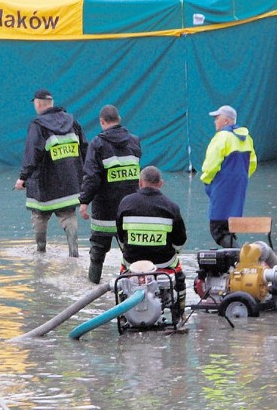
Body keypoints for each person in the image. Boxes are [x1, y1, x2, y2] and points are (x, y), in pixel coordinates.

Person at [14, 89, 88, 257]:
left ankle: (40, 252)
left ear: (38, 104)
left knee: (39, 216)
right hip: (70, 182)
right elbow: (85, 148)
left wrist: (22, 178)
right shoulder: (72, 121)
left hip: (44, 184)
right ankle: (74, 253)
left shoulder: (38, 125)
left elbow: (32, 154)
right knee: (68, 215)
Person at [79, 104, 141, 283]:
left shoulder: (97, 144)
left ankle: (92, 287)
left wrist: (84, 202)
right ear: (119, 119)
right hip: (131, 209)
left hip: (104, 211)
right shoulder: (134, 141)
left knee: (97, 252)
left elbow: (91, 177)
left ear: (101, 122)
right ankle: (134, 287)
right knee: (132, 253)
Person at [116, 166, 187, 315]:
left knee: (121, 274)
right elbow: (180, 241)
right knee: (180, 277)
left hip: (132, 263)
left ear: (140, 182)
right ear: (160, 183)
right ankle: (179, 314)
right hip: (164, 263)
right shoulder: (171, 207)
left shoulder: (125, 203)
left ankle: (122, 314)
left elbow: (121, 237)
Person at [201, 105, 257, 248]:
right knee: (229, 227)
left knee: (217, 230)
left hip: (222, 186)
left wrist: (206, 181)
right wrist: (241, 179)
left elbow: (211, 164)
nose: (215, 122)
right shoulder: (247, 138)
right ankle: (236, 261)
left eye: (217, 118)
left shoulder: (221, 137)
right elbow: (252, 163)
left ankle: (241, 257)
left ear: (225, 121)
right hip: (239, 186)